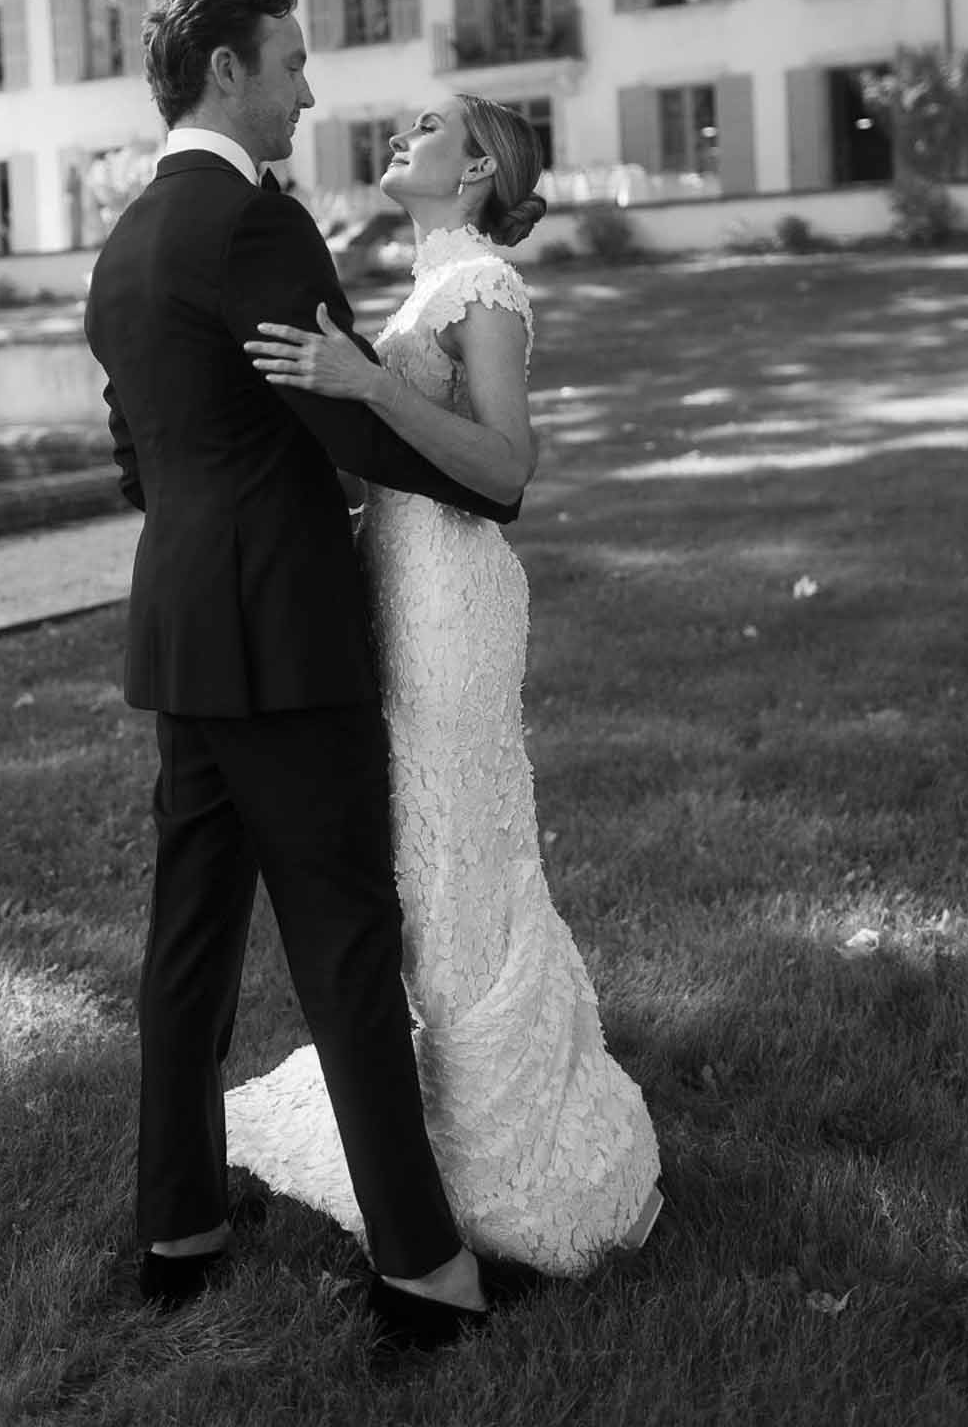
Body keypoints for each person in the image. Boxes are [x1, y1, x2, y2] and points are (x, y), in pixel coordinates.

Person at [83, 0, 523, 1350]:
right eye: (288, 62)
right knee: (342, 942)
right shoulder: (256, 225)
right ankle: (424, 1271)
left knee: (188, 940)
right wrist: (480, 485)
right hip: (284, 634)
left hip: (181, 628)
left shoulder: (130, 238)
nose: (308, 89)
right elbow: (341, 412)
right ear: (226, 72)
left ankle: (179, 1228)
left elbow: (136, 452)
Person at [228, 92, 662, 1276]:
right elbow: (410, 454)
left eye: (425, 127)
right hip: (398, 583)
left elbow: (508, 464)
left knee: (455, 849)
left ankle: (499, 1147)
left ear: (474, 165)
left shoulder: (484, 286)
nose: (397, 136)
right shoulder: (432, 275)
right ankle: (414, 1123)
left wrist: (365, 384)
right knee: (416, 859)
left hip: (454, 604)